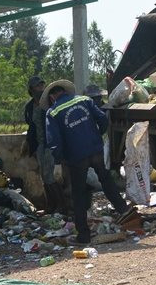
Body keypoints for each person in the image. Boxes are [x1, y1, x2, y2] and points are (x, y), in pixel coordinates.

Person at [43, 79, 133, 246]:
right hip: (95, 149)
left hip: (76, 157)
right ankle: (123, 209)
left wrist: (57, 162)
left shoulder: (53, 112)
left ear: (53, 96)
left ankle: (83, 235)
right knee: (106, 180)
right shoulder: (85, 100)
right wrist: (97, 136)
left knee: (78, 194)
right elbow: (103, 119)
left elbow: (53, 140)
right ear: (65, 91)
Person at [24, 76, 64, 213]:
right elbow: (31, 126)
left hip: (51, 143)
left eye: (42, 86)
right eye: (37, 87)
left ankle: (60, 205)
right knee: (44, 176)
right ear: (31, 90)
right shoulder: (29, 107)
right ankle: (51, 205)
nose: (40, 89)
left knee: (51, 176)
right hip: (40, 145)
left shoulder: (50, 103)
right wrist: (30, 145)